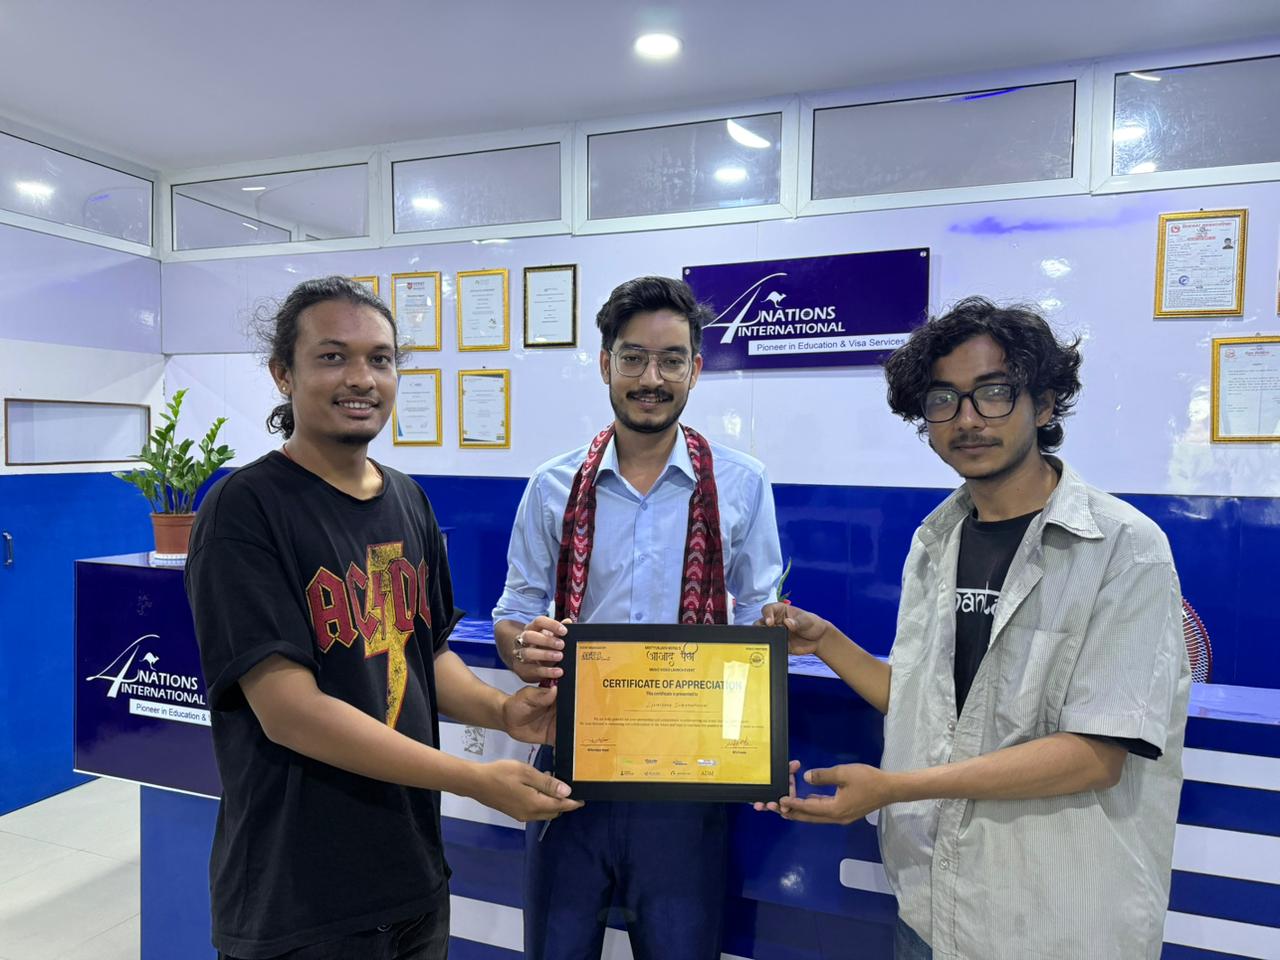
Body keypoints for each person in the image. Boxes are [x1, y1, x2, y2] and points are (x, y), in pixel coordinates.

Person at [757, 297, 1189, 960]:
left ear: (1044, 404)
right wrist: (828, 643)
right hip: (930, 910)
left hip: (1054, 922)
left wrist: (895, 789)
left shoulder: (1123, 548)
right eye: (943, 400)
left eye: (993, 392)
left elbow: (1096, 756)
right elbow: (924, 704)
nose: (967, 419)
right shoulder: (936, 541)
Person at [186, 276, 581, 960]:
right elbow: (290, 712)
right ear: (283, 374)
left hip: (412, 878)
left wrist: (502, 713)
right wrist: (473, 779)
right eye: (332, 357)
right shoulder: (245, 509)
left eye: (381, 358)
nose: (361, 378)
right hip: (299, 897)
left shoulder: (407, 500)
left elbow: (423, 654)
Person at [492, 275, 784, 960]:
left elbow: (758, 629)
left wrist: (757, 732)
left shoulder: (742, 484)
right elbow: (514, 616)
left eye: (671, 360)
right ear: (606, 365)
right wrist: (524, 649)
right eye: (633, 358)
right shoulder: (552, 485)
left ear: (695, 369)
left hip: (690, 779)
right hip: (571, 771)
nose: (651, 379)